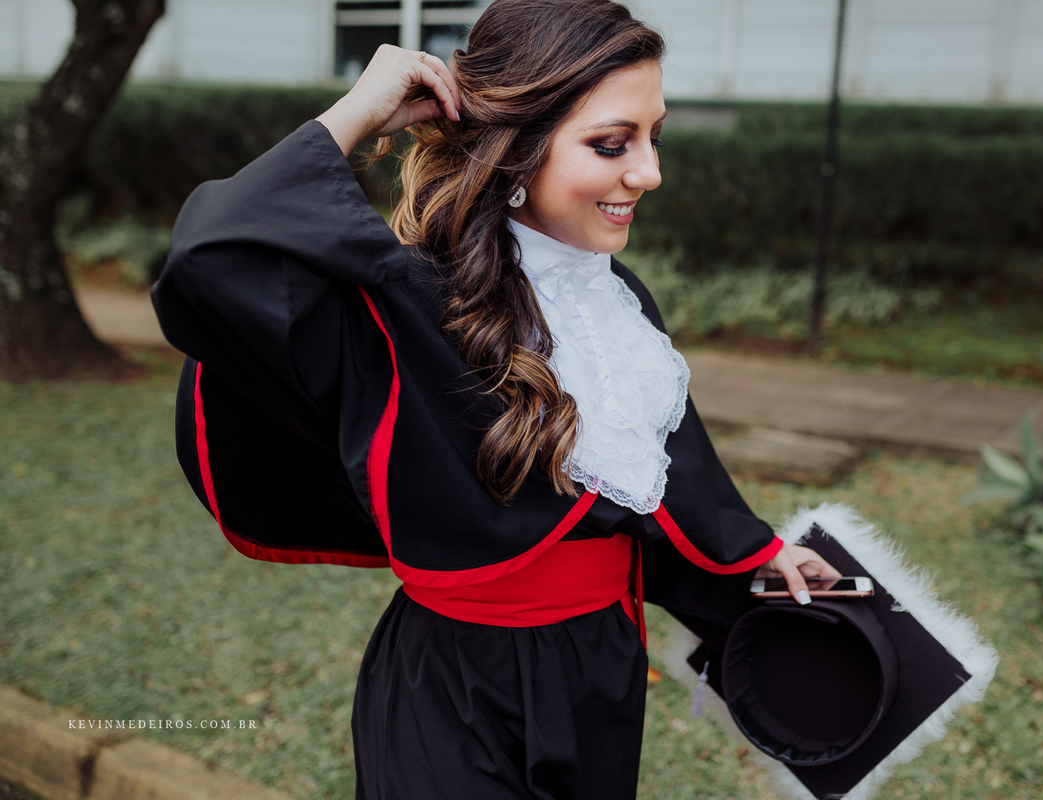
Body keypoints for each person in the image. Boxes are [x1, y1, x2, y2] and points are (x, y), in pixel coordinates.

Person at [153, 1, 840, 798]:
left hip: (601, 669)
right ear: (516, 150)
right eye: (612, 143)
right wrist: (357, 113)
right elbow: (209, 257)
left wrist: (757, 556)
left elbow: (666, 489)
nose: (649, 172)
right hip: (457, 690)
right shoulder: (409, 301)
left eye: (655, 137)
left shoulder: (620, 302)